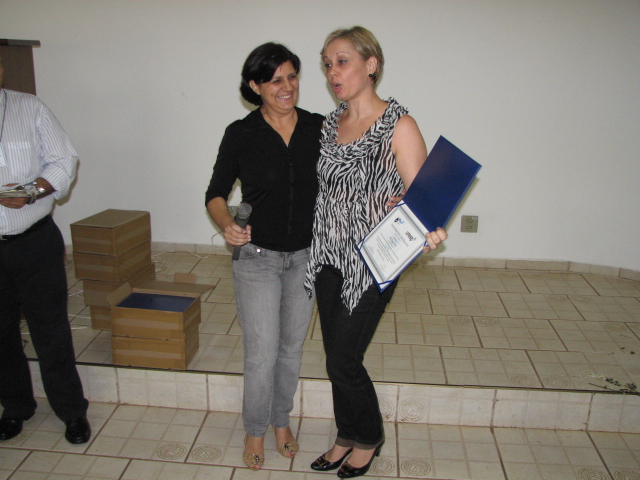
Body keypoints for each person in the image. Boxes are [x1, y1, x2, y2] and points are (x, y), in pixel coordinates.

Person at [304, 27, 447, 478]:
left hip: (372, 260)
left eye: (342, 61)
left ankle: (368, 437)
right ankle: (345, 434)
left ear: (371, 64)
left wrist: (424, 223)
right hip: (327, 255)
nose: (332, 72)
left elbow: (423, 199)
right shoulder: (329, 125)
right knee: (335, 356)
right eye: (327, 64)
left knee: (343, 359)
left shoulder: (399, 125)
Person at [205, 43, 323, 470]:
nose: (286, 87)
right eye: (275, 80)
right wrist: (226, 224)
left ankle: (281, 421)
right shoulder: (241, 133)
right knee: (262, 353)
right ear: (255, 86)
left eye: (292, 77)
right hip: (256, 258)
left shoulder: (318, 127)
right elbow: (216, 194)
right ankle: (255, 430)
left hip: (305, 257)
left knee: (291, 349)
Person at [0, 55, 90, 444]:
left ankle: (71, 410)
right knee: (1, 334)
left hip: (34, 241)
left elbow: (64, 160)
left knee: (50, 329)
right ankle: (16, 406)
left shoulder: (28, 107)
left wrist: (33, 190)